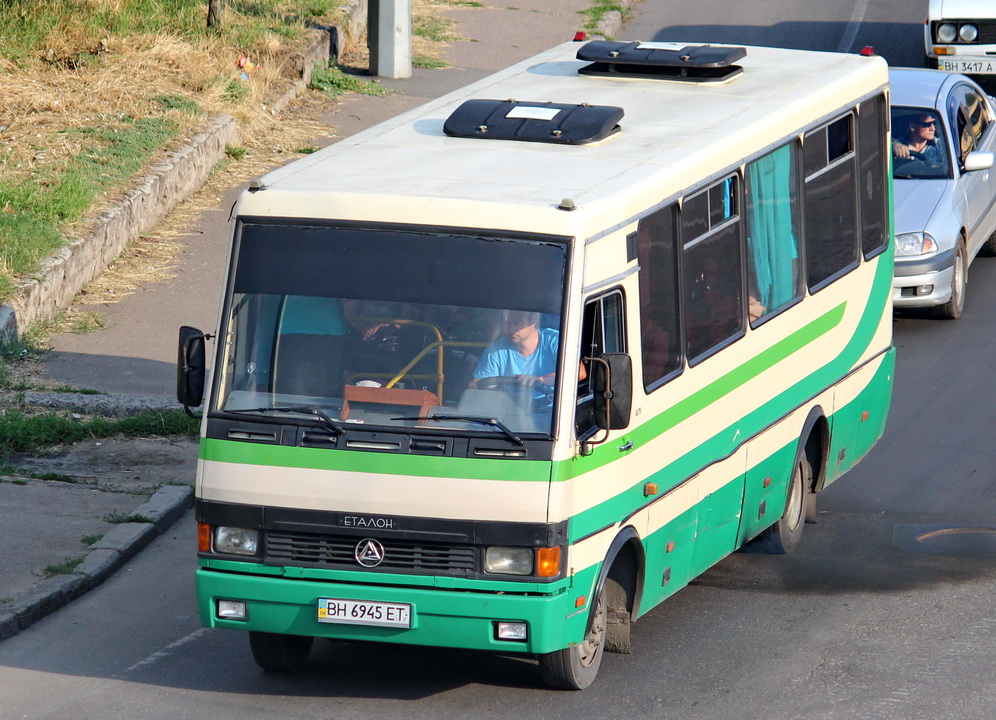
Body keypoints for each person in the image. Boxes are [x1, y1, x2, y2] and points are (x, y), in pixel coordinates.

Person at [469, 310, 563, 388]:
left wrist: (540, 380)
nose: (511, 329)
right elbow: (478, 383)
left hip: (553, 409)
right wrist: (478, 385)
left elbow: (574, 372)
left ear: (533, 320)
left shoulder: (554, 339)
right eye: (507, 323)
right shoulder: (494, 351)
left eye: (517, 322)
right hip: (507, 408)